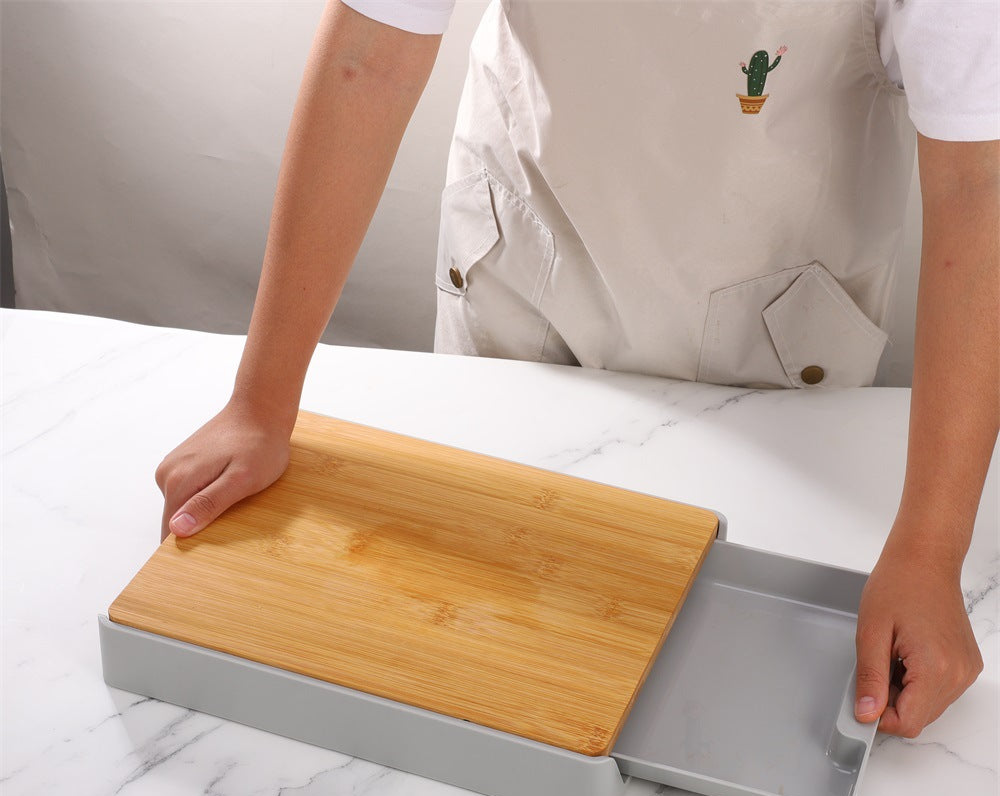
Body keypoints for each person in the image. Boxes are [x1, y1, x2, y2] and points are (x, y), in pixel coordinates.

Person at [155, 0, 999, 740]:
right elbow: (367, 55)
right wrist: (261, 401)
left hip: (772, 338)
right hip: (526, 277)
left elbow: (976, 183)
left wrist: (930, 552)